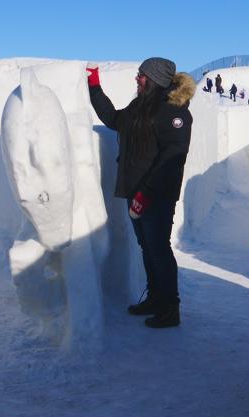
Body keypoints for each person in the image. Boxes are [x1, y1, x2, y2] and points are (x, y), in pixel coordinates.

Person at [87, 58, 195, 328]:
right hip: (135, 192)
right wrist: (94, 87)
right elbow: (113, 120)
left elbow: (173, 157)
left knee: (159, 249)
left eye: (142, 75)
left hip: (155, 196)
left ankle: (171, 307)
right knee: (147, 248)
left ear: (156, 79)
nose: (137, 79)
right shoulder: (141, 106)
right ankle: (156, 298)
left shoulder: (175, 111)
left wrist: (145, 195)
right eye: (138, 74)